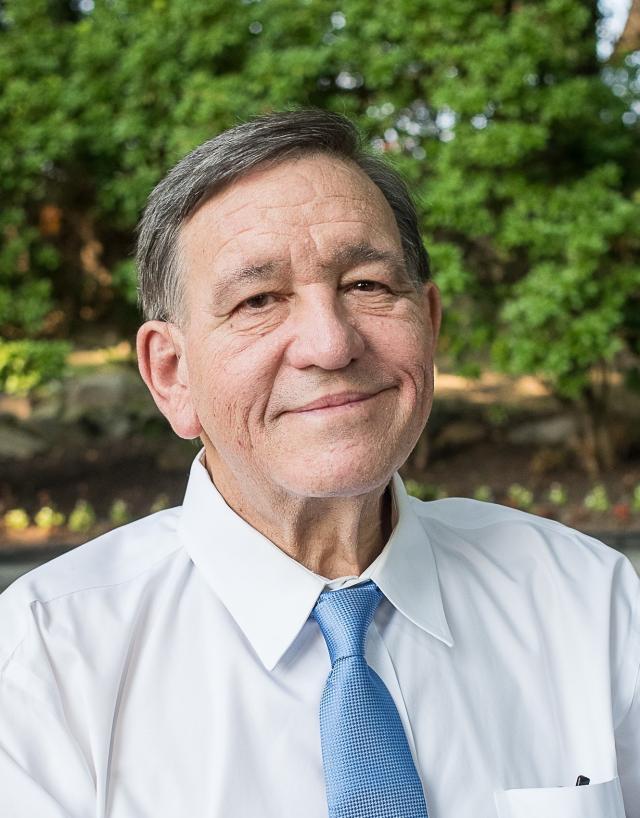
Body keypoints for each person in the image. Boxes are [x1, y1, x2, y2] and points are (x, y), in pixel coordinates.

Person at [0, 109, 638, 818]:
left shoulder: (589, 601)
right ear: (173, 375)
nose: (331, 344)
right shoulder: (45, 658)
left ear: (427, 323)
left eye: (367, 285)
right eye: (259, 300)